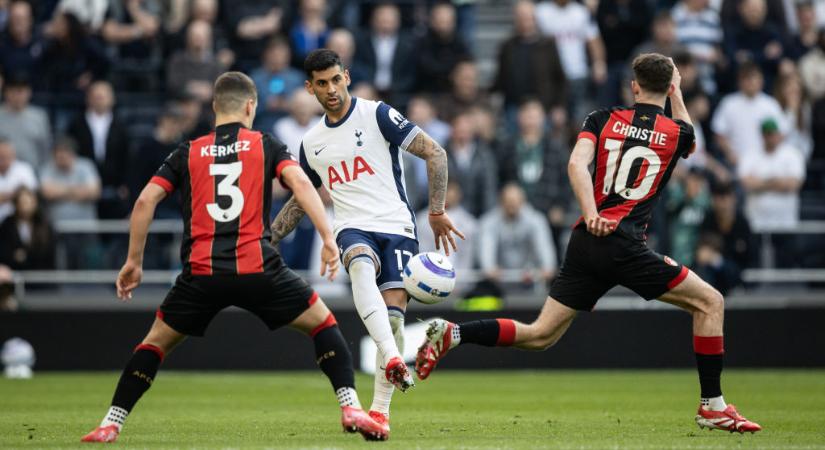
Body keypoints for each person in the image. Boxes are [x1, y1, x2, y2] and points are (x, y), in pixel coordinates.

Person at [414, 53, 762, 434]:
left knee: (540, 334)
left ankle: (455, 333)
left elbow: (575, 165)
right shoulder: (678, 134)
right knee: (710, 302)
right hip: (625, 245)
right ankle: (712, 405)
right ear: (671, 86)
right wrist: (676, 91)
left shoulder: (601, 119)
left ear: (634, 86)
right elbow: (689, 137)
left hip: (585, 241)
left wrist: (591, 211)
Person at [79, 72, 387, 443]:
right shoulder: (265, 144)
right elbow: (303, 184)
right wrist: (326, 236)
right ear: (250, 106)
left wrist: (134, 262)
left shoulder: (187, 150)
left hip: (201, 274)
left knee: (153, 344)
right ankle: (350, 405)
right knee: (323, 326)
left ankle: (111, 422)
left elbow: (145, 201)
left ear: (214, 108)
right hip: (259, 268)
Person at [269, 49, 464, 435]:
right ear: (310, 88)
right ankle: (394, 359)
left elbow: (435, 152)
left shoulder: (376, 114)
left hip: (397, 226)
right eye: (321, 84)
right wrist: (268, 237)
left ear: (347, 76)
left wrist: (437, 210)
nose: (331, 89)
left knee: (392, 321)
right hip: (352, 226)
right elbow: (300, 198)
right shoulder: (311, 143)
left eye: (335, 79)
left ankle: (379, 413)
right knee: (358, 263)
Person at [67, 80, 131, 219]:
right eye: (96, 96)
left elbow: (127, 155)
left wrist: (125, 183)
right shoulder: (76, 124)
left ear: (112, 99)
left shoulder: (121, 125)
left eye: (103, 96)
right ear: (88, 99)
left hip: (114, 186)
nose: (100, 100)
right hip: (84, 186)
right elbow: (71, 151)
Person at [478, 183, 557, 290]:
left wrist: (547, 267)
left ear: (523, 201)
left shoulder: (536, 220)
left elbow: (544, 247)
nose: (512, 205)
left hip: (530, 281)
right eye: (508, 201)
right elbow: (487, 248)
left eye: (515, 201)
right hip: (499, 283)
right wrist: (489, 267)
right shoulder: (489, 222)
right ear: (501, 202)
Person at [0, 75, 52, 168]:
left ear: (29, 92)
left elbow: (45, 149)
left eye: (20, 91)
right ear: (5, 93)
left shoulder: (39, 116)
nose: (17, 96)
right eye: (12, 91)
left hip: (32, 173)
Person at [0, 188, 56, 270]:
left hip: (40, 272)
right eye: (22, 202)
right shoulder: (8, 224)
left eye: (29, 202)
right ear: (16, 204)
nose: (26, 207)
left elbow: (48, 250)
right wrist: (13, 256)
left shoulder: (43, 224)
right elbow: (3, 248)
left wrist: (26, 255)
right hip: (13, 272)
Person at [0, 138, 38, 223]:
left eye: (6, 156)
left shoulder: (24, 169)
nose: (3, 160)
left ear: (13, 155)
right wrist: (15, 194)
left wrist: (4, 196)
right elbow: (19, 194)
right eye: (1, 156)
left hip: (19, 222)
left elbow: (28, 196)